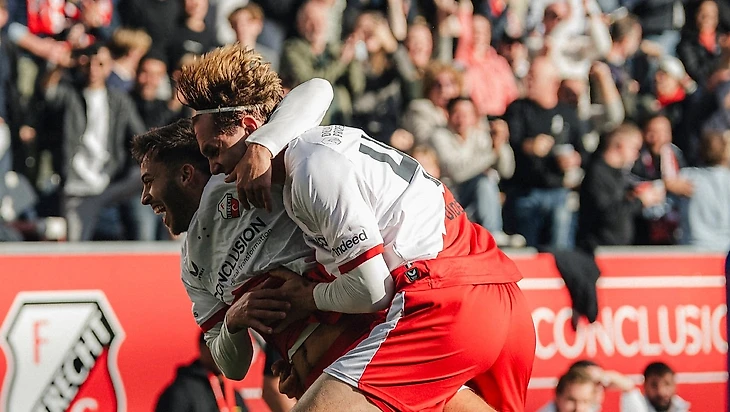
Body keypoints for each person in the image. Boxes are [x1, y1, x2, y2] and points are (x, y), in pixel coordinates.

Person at [178, 43, 535, 412]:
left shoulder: (309, 169)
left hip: (444, 302)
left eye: (214, 150)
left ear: (251, 128)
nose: (214, 167)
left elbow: (372, 289)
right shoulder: (315, 144)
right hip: (498, 293)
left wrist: (307, 297)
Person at [155, 332, 249, 412]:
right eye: (220, 349)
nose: (226, 355)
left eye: (230, 349)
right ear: (203, 347)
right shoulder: (180, 393)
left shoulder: (233, 394)